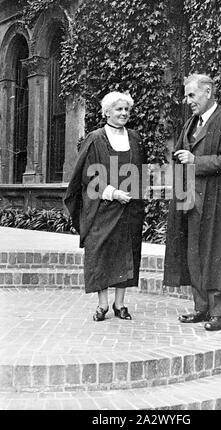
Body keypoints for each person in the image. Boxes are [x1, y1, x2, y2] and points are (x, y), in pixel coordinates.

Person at [164, 74, 221, 331]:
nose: (187, 101)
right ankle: (201, 308)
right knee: (194, 255)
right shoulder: (191, 124)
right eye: (186, 95)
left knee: (217, 256)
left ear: (208, 91)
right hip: (192, 202)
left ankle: (218, 313)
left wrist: (195, 161)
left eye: (191, 95)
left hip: (217, 203)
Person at [64, 91, 145, 321]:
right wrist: (113, 193)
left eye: (127, 110)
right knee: (101, 254)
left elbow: (139, 172)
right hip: (102, 208)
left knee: (127, 254)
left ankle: (120, 304)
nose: (124, 113)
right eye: (119, 109)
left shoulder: (135, 138)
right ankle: (103, 305)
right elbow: (88, 176)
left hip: (129, 208)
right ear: (107, 111)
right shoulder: (95, 139)